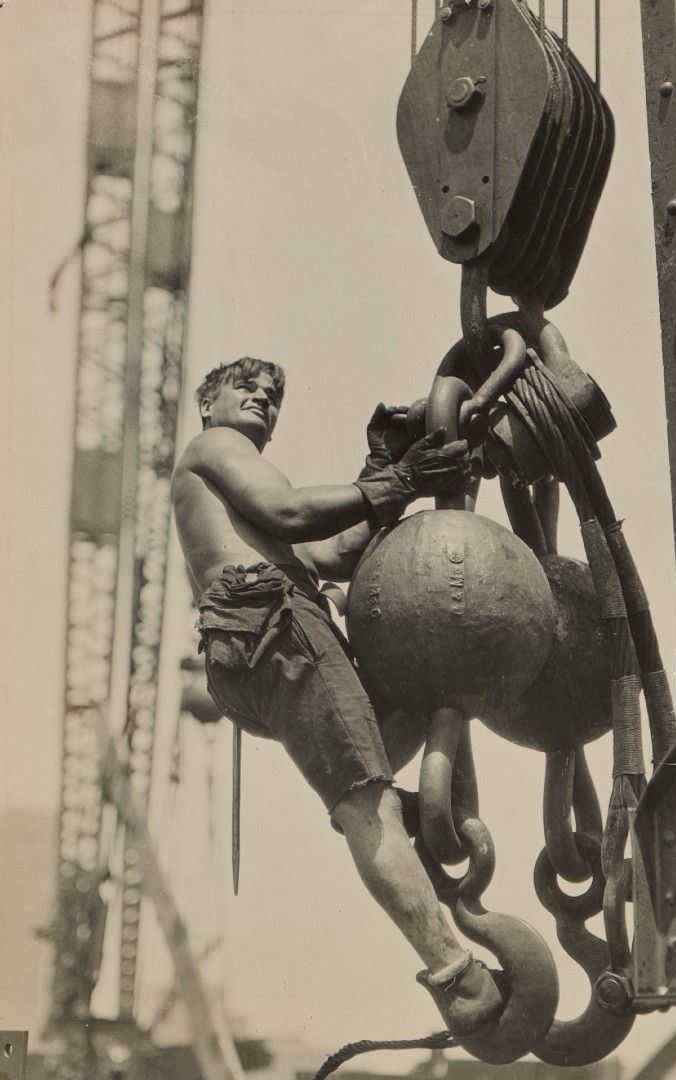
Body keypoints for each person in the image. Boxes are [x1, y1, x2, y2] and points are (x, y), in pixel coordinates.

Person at [171, 358, 502, 1035]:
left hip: (253, 649)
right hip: (274, 621)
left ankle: (400, 820)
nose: (263, 397)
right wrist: (402, 478)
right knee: (364, 801)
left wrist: (387, 468)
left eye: (273, 395)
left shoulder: (233, 507)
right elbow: (290, 513)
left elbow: (335, 553)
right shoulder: (215, 447)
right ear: (207, 404)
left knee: (413, 701)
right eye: (246, 388)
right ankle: (457, 978)